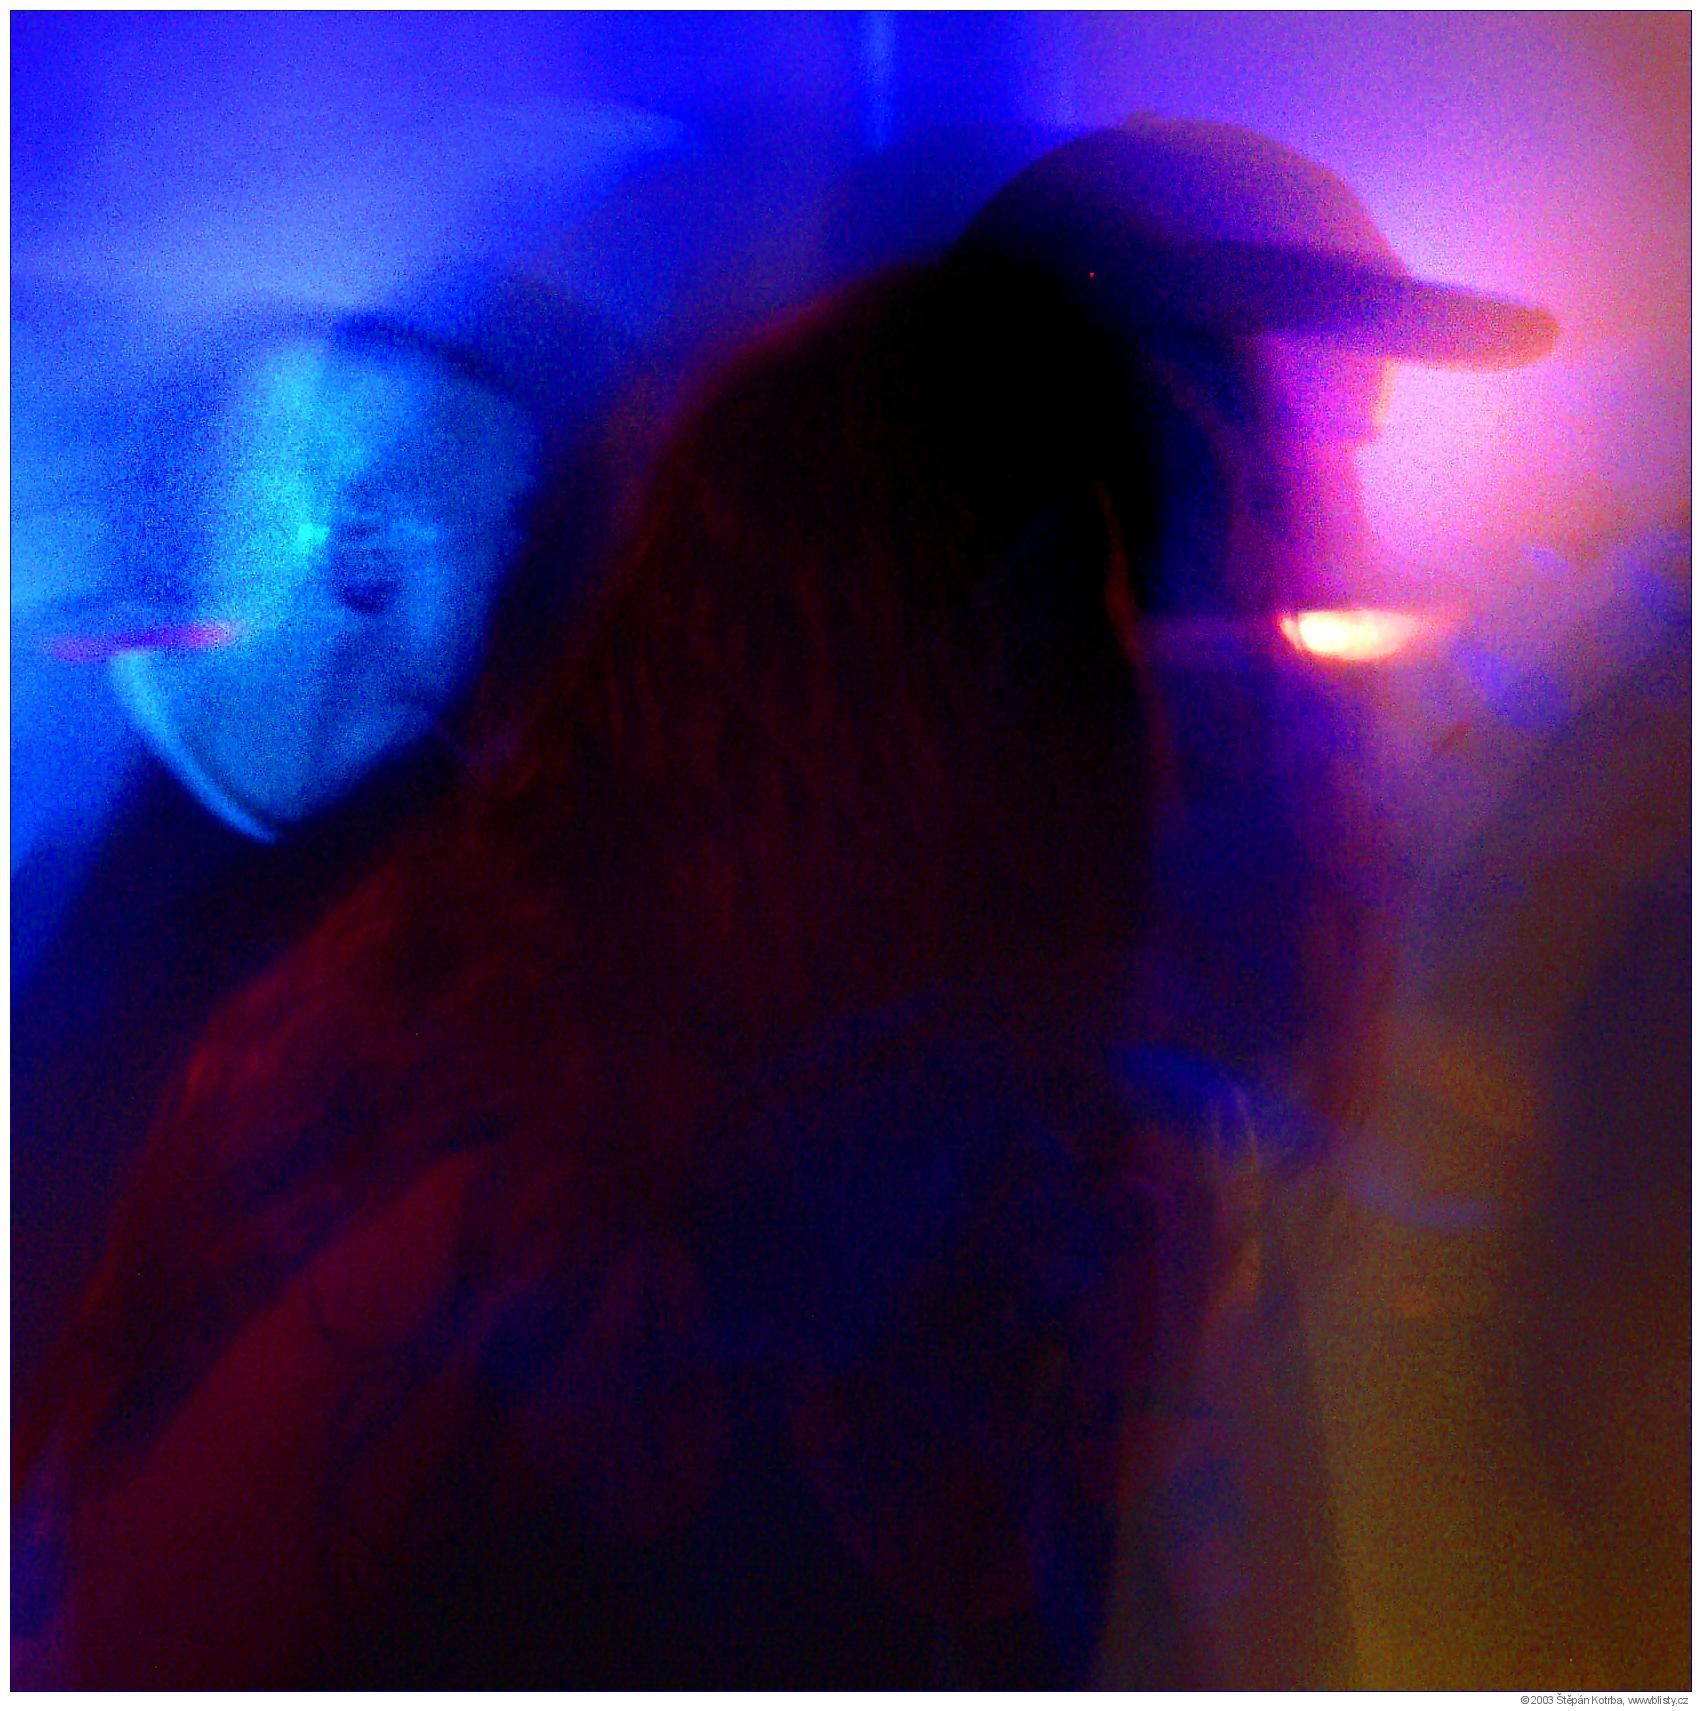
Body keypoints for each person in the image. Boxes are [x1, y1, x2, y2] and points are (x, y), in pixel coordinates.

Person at [15, 120, 1553, 1689]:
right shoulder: (561, 1139)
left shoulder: (1039, 1106)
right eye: (1295, 443)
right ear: (1063, 539)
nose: (1325, 538)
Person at [11, 287, 610, 1401]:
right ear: (366, 551)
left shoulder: (473, 858)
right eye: (492, 531)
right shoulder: (48, 780)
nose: (514, 568)